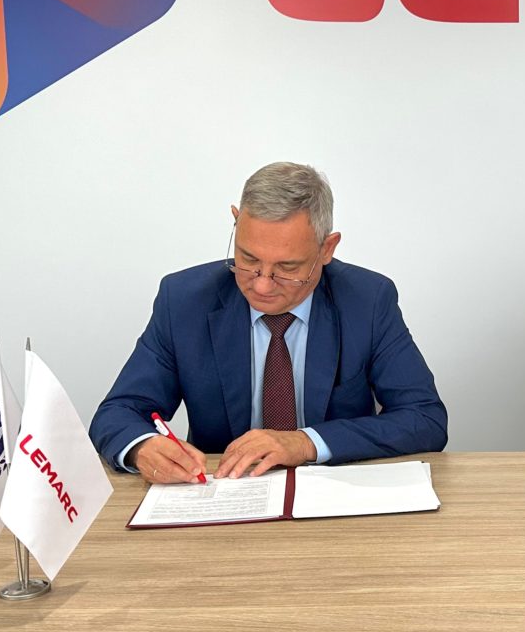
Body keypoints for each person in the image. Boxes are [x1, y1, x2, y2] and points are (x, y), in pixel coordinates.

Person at [90, 162, 448, 483]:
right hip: (224, 497)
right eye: (248, 259)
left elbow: (425, 418)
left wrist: (305, 443)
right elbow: (118, 412)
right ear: (236, 221)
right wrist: (143, 447)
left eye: (287, 268)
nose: (261, 285)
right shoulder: (184, 301)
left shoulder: (367, 300)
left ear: (327, 249)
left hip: (335, 497)